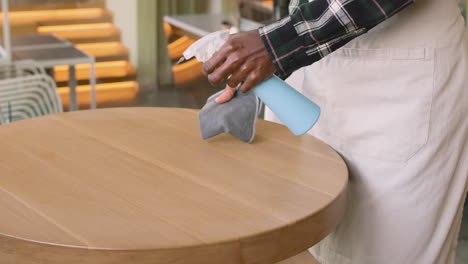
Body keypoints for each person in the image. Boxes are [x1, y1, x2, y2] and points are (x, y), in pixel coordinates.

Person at [202, 0, 468, 263]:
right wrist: (269, 60)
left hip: (400, 69)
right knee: (301, 239)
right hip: (313, 56)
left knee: (389, 247)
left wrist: (276, 44)